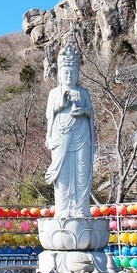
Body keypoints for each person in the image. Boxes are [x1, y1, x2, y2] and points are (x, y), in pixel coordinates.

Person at [44, 44, 94, 219]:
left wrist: (84, 111)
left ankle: (81, 209)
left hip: (82, 136)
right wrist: (61, 105)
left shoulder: (83, 92)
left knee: (81, 173)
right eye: (65, 72)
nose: (69, 75)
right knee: (63, 175)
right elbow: (49, 115)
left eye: (73, 72)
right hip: (61, 137)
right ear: (59, 74)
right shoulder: (54, 93)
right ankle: (63, 210)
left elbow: (91, 112)